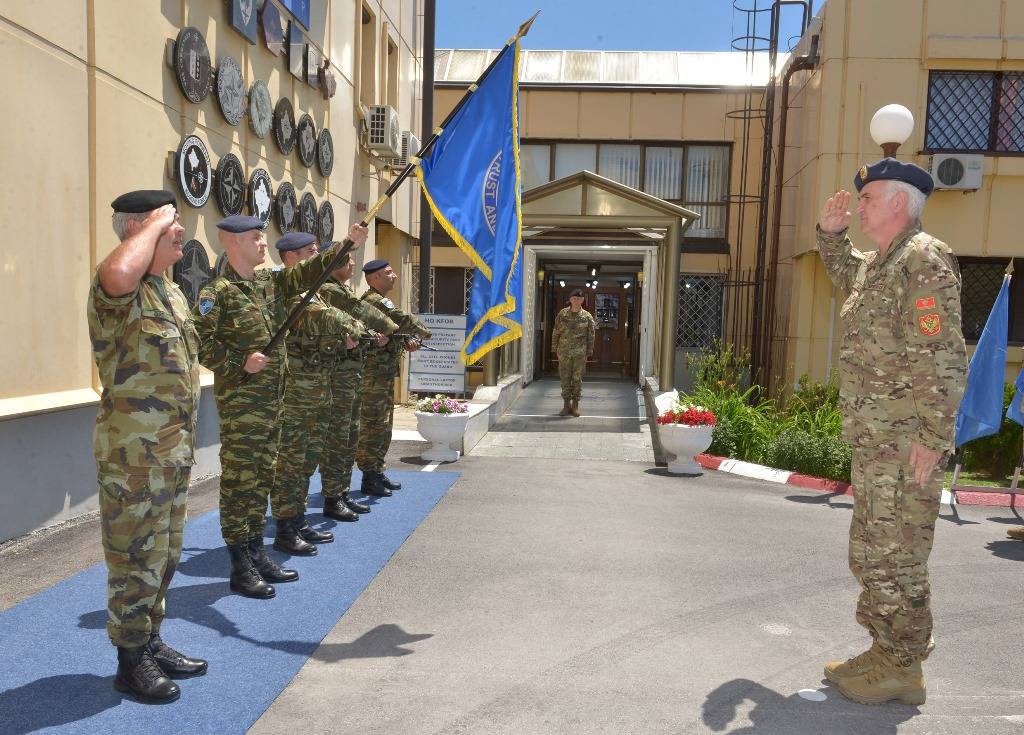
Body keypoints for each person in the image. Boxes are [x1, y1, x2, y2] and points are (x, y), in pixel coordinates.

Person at [817, 158, 967, 705]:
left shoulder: (923, 260)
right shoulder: (880, 262)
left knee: (898, 555)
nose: (858, 205)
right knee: (872, 553)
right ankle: (885, 651)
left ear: (900, 202)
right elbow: (843, 270)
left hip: (907, 443)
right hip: (877, 440)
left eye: (869, 197)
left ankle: (904, 666)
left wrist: (932, 435)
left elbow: (942, 355)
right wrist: (830, 237)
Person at [192, 216, 367, 599]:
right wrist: (240, 360)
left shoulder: (269, 283)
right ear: (230, 242)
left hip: (275, 400)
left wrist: (346, 245)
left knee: (263, 479)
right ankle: (240, 562)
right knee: (242, 481)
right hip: (243, 403)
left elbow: (308, 272)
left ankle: (257, 551)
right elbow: (200, 343)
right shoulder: (216, 293)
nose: (262, 243)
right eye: (255, 237)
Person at [88, 189, 207, 704]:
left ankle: (151, 638)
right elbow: (116, 276)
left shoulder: (169, 291)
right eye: (170, 223)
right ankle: (129, 660)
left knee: (165, 555)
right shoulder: (120, 287)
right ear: (141, 229)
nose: (181, 230)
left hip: (173, 453)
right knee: (134, 558)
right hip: (134, 460)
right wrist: (150, 228)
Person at [267, 232, 363, 553]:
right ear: (292, 257)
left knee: (307, 458)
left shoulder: (313, 291)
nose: (316, 256)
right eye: (311, 251)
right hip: (294, 393)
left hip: (317, 389)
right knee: (291, 460)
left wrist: (344, 335)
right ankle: (284, 526)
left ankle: (297, 519)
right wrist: (350, 327)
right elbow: (318, 319)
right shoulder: (285, 289)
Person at [317, 255, 399, 519]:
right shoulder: (336, 294)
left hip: (357, 376)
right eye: (347, 260)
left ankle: (349, 488)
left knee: (363, 431)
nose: (352, 264)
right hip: (354, 377)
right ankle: (345, 489)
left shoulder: (343, 293)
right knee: (358, 430)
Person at [357, 259, 432, 496]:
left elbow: (392, 331)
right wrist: (424, 333)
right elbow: (401, 320)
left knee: (384, 424)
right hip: (372, 376)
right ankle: (370, 476)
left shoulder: (378, 301)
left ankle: (377, 471)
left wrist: (405, 341)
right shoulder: (375, 301)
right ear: (373, 278)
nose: (394, 275)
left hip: (383, 373)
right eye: (388, 272)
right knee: (373, 425)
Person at [551, 288, 596, 417]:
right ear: (570, 300)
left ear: (582, 300)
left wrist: (588, 353)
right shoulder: (562, 314)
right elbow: (556, 332)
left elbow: (591, 336)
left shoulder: (587, 316)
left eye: (579, 299)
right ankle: (566, 405)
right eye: (574, 299)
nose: (576, 301)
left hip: (579, 354)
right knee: (565, 378)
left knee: (577, 379)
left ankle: (575, 405)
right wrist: (555, 349)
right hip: (564, 352)